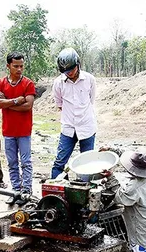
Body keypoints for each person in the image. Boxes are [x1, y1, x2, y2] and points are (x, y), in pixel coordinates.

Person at [0, 52, 36, 204]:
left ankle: (26, 190)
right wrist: (16, 101)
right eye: (16, 66)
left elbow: (28, 105)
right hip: (8, 131)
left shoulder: (28, 83)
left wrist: (7, 103)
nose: (19, 69)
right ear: (8, 66)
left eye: (21, 66)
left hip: (24, 130)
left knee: (25, 162)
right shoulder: (0, 83)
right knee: (12, 162)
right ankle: (15, 191)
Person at [51, 47, 97, 179]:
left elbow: (91, 100)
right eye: (66, 71)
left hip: (87, 127)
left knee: (87, 163)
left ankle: (84, 191)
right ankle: (57, 191)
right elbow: (60, 105)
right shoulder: (58, 83)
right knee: (59, 162)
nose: (69, 73)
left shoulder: (89, 79)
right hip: (68, 127)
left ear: (78, 64)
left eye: (71, 69)